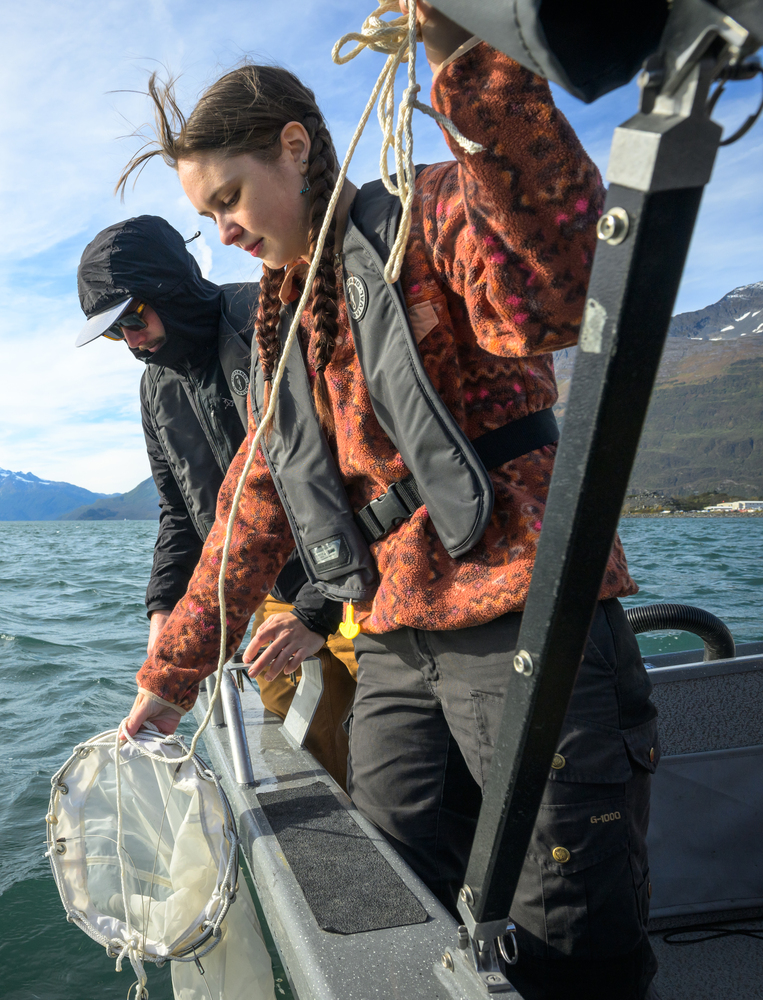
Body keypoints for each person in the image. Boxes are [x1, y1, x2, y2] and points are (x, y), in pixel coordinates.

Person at [116, 6, 659, 1000]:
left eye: (230, 198)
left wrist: (463, 61)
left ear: (295, 145)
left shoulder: (438, 209)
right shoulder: (283, 326)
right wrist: (169, 680)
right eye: (209, 218)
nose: (224, 231)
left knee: (571, 920)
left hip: (521, 607)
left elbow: (557, 292)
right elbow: (252, 508)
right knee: (393, 871)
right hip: (397, 633)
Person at [75, 217, 356, 783]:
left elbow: (343, 472)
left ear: (171, 289)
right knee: (294, 725)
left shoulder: (266, 322)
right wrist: (165, 614)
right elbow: (180, 515)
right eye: (113, 331)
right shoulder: (155, 390)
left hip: (358, 581)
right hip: (273, 596)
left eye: (133, 317)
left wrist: (319, 613)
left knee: (384, 737)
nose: (130, 340)